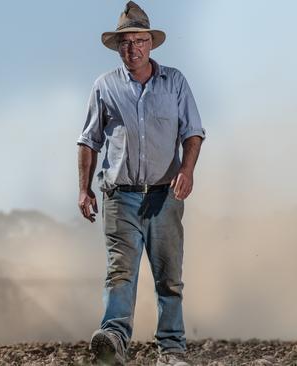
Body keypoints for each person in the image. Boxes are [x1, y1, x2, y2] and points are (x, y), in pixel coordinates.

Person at [76, 2, 205, 365]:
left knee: (169, 279)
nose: (132, 49)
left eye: (139, 41)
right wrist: (83, 189)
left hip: (166, 196)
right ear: (118, 47)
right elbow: (88, 141)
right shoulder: (104, 86)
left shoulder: (175, 82)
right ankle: (113, 341)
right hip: (120, 196)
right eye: (125, 43)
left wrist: (188, 170)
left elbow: (193, 133)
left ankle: (172, 350)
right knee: (120, 272)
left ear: (151, 44)